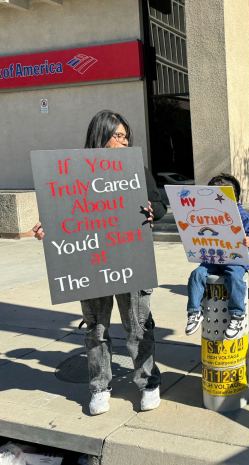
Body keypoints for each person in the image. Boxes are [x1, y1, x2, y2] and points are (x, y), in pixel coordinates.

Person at [33, 110, 166, 416]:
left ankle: (147, 382)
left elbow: (159, 205)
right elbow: (64, 212)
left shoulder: (136, 169)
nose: (125, 140)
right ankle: (100, 386)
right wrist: (48, 227)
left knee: (138, 327)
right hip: (92, 263)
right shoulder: (74, 172)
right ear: (101, 136)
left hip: (130, 258)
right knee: (96, 328)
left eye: (126, 135)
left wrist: (152, 212)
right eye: (118, 135)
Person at [185, 173, 249, 339]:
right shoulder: (206, 214)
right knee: (197, 274)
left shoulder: (242, 215)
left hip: (235, 259)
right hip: (213, 258)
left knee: (236, 276)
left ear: (234, 198)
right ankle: (194, 312)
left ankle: (237, 315)